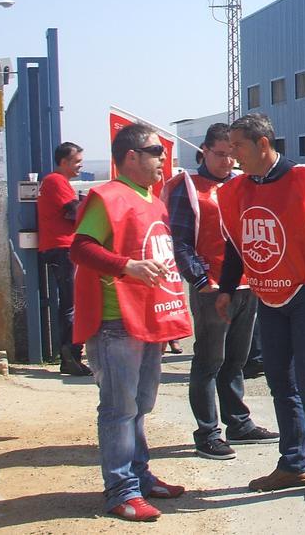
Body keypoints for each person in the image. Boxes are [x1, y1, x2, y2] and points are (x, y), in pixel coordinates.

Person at [217, 113, 305, 500]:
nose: (232, 154)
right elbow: (235, 244)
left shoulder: (304, 181)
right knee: (280, 383)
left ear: (262, 144)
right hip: (268, 296)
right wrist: (226, 288)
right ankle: (292, 463)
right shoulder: (238, 190)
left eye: (238, 145)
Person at [70, 123, 192, 521]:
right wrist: (127, 267)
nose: (162, 158)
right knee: (119, 409)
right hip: (115, 321)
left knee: (141, 405)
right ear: (131, 157)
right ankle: (121, 490)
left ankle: (139, 477)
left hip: (147, 319)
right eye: (155, 151)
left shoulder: (152, 200)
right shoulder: (107, 198)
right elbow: (81, 247)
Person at [166, 123, 278, 461]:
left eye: (232, 154)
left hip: (246, 285)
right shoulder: (187, 187)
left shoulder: (243, 184)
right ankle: (207, 431)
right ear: (204, 150)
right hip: (211, 288)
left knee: (237, 360)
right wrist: (200, 280)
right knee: (209, 360)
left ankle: (238, 422)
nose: (228, 161)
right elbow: (180, 241)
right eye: (220, 154)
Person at [38, 141, 91, 376]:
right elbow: (74, 211)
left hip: (61, 247)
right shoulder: (56, 181)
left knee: (71, 302)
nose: (80, 166)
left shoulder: (58, 182)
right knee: (72, 303)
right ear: (64, 162)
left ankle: (71, 353)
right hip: (62, 247)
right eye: (77, 162)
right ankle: (70, 353)